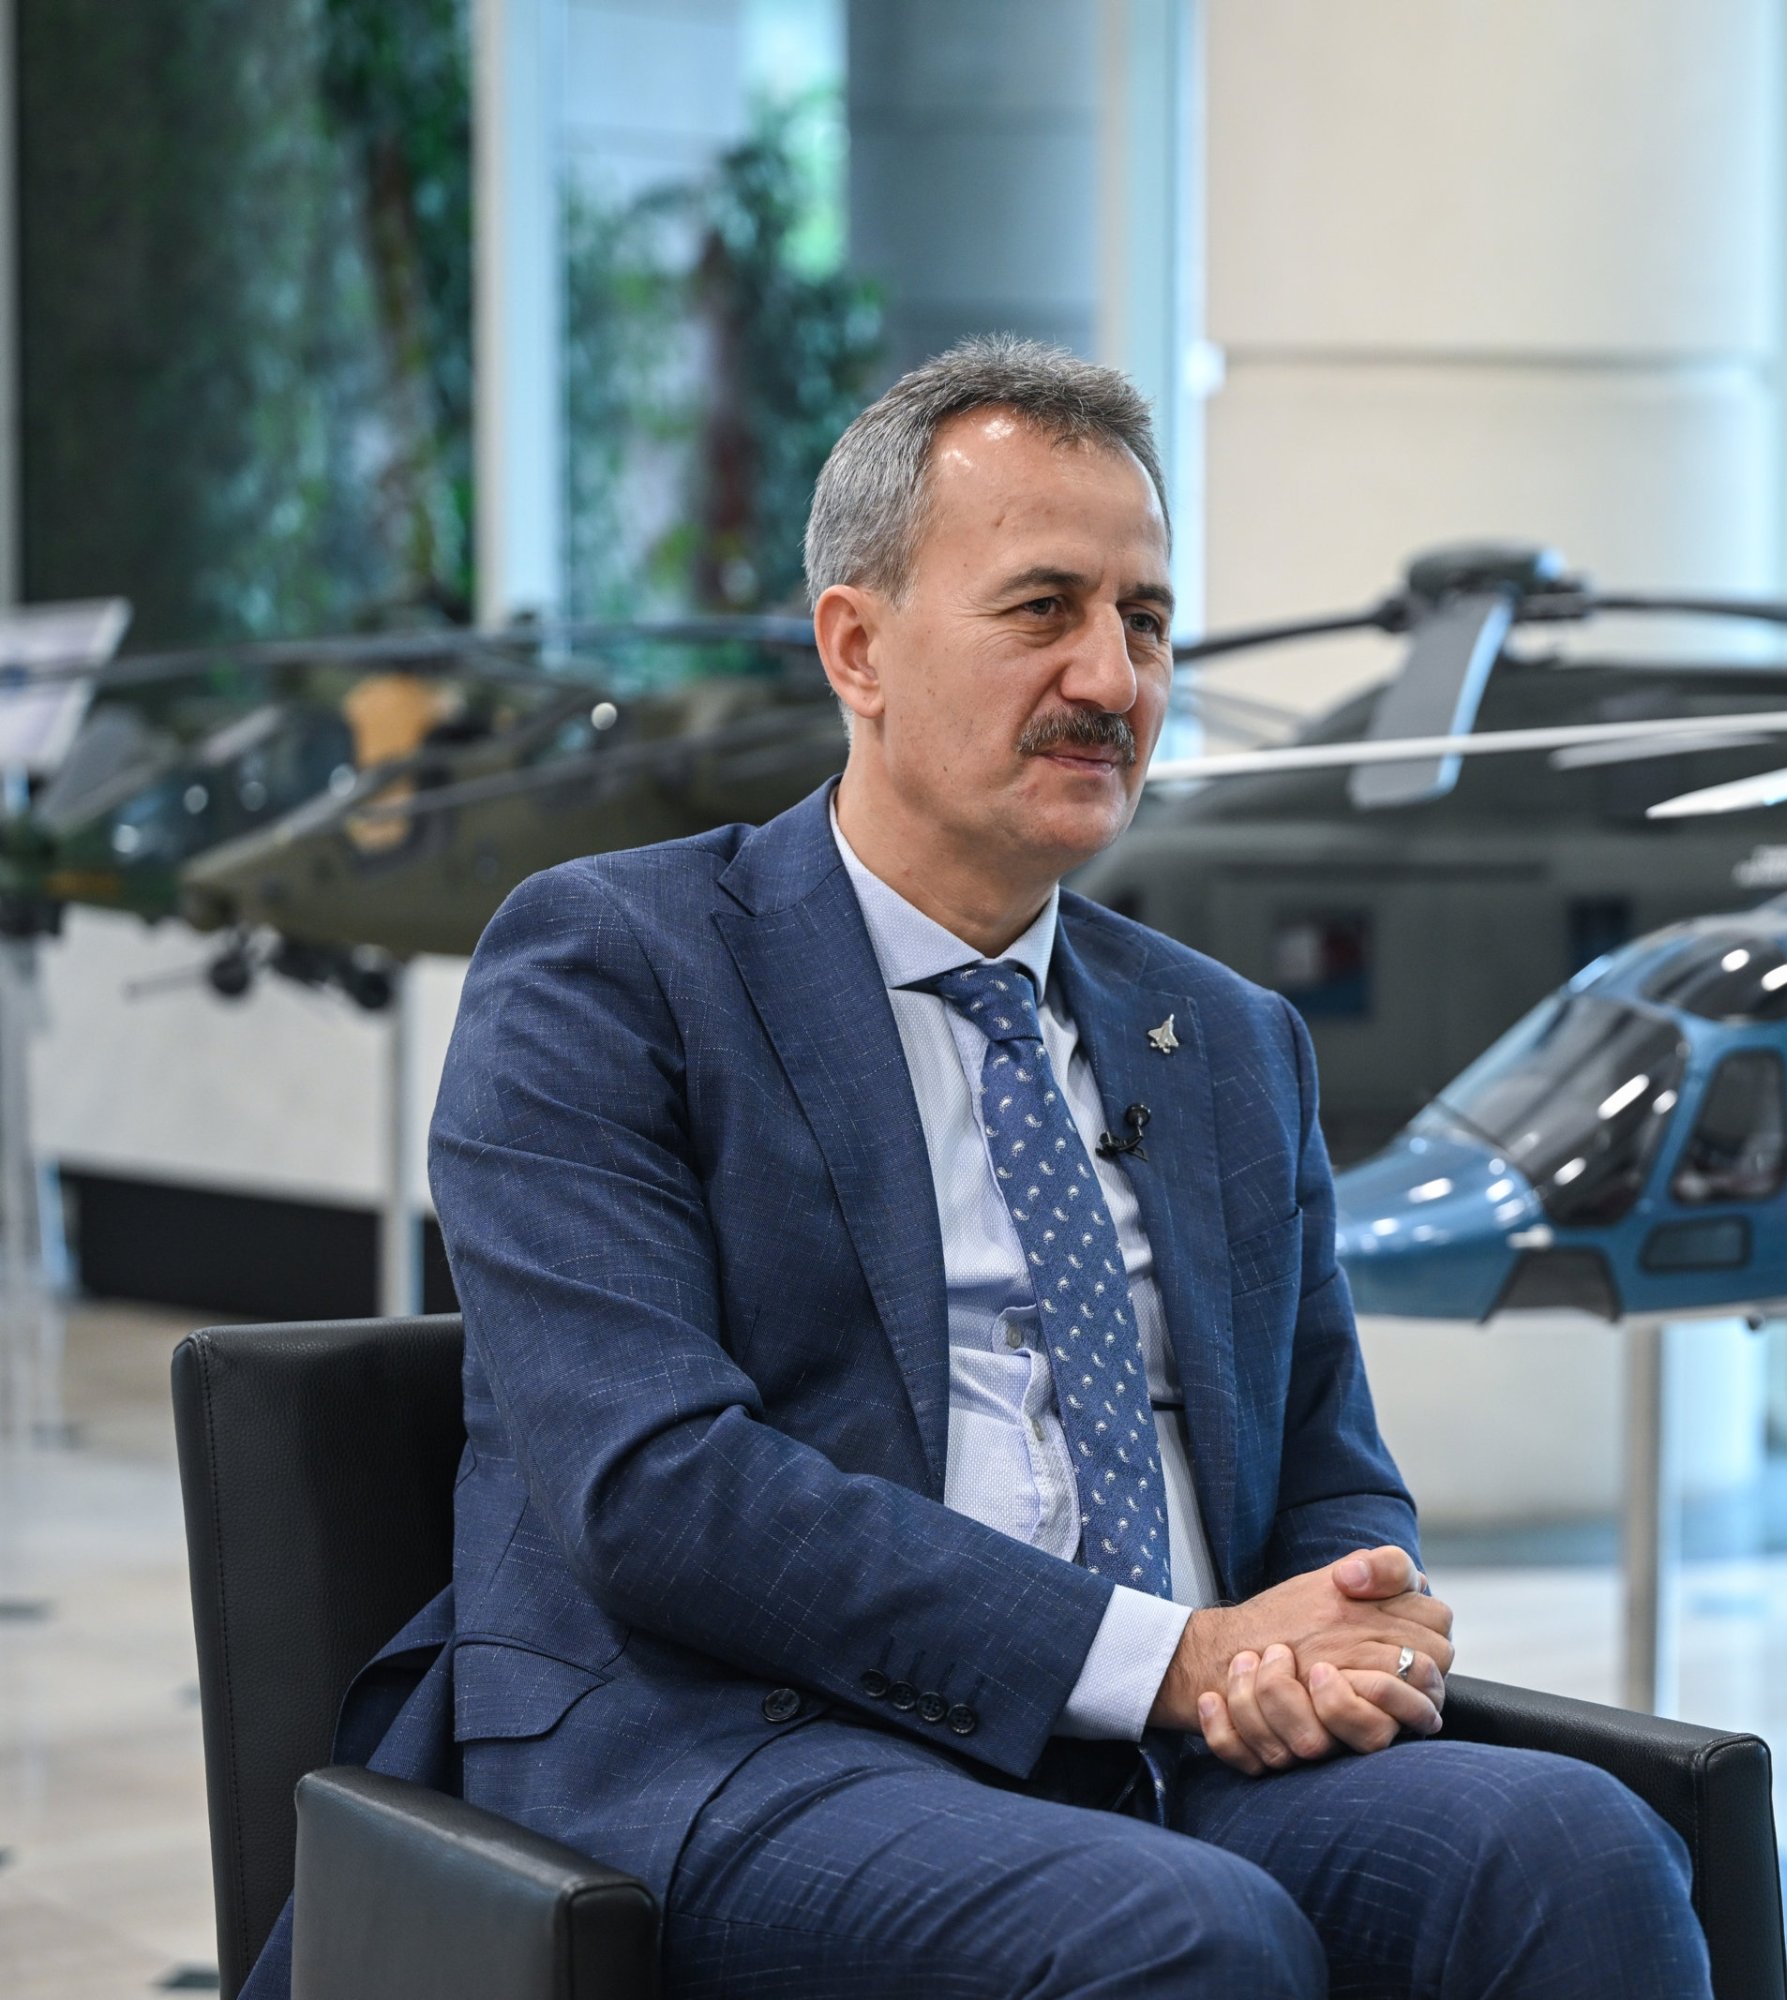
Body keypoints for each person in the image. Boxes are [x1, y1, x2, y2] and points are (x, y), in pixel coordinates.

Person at [410, 338, 1716, 1998]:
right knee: (1186, 1937)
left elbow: (1325, 1458)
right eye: (1043, 609)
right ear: (857, 646)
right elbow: (659, 1489)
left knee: (1581, 1846)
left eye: (1145, 621)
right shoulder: (615, 968)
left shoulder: (1227, 1035)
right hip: (748, 1738)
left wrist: (1350, 1619)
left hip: (1171, 1749)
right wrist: (1170, 1657)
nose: (1112, 676)